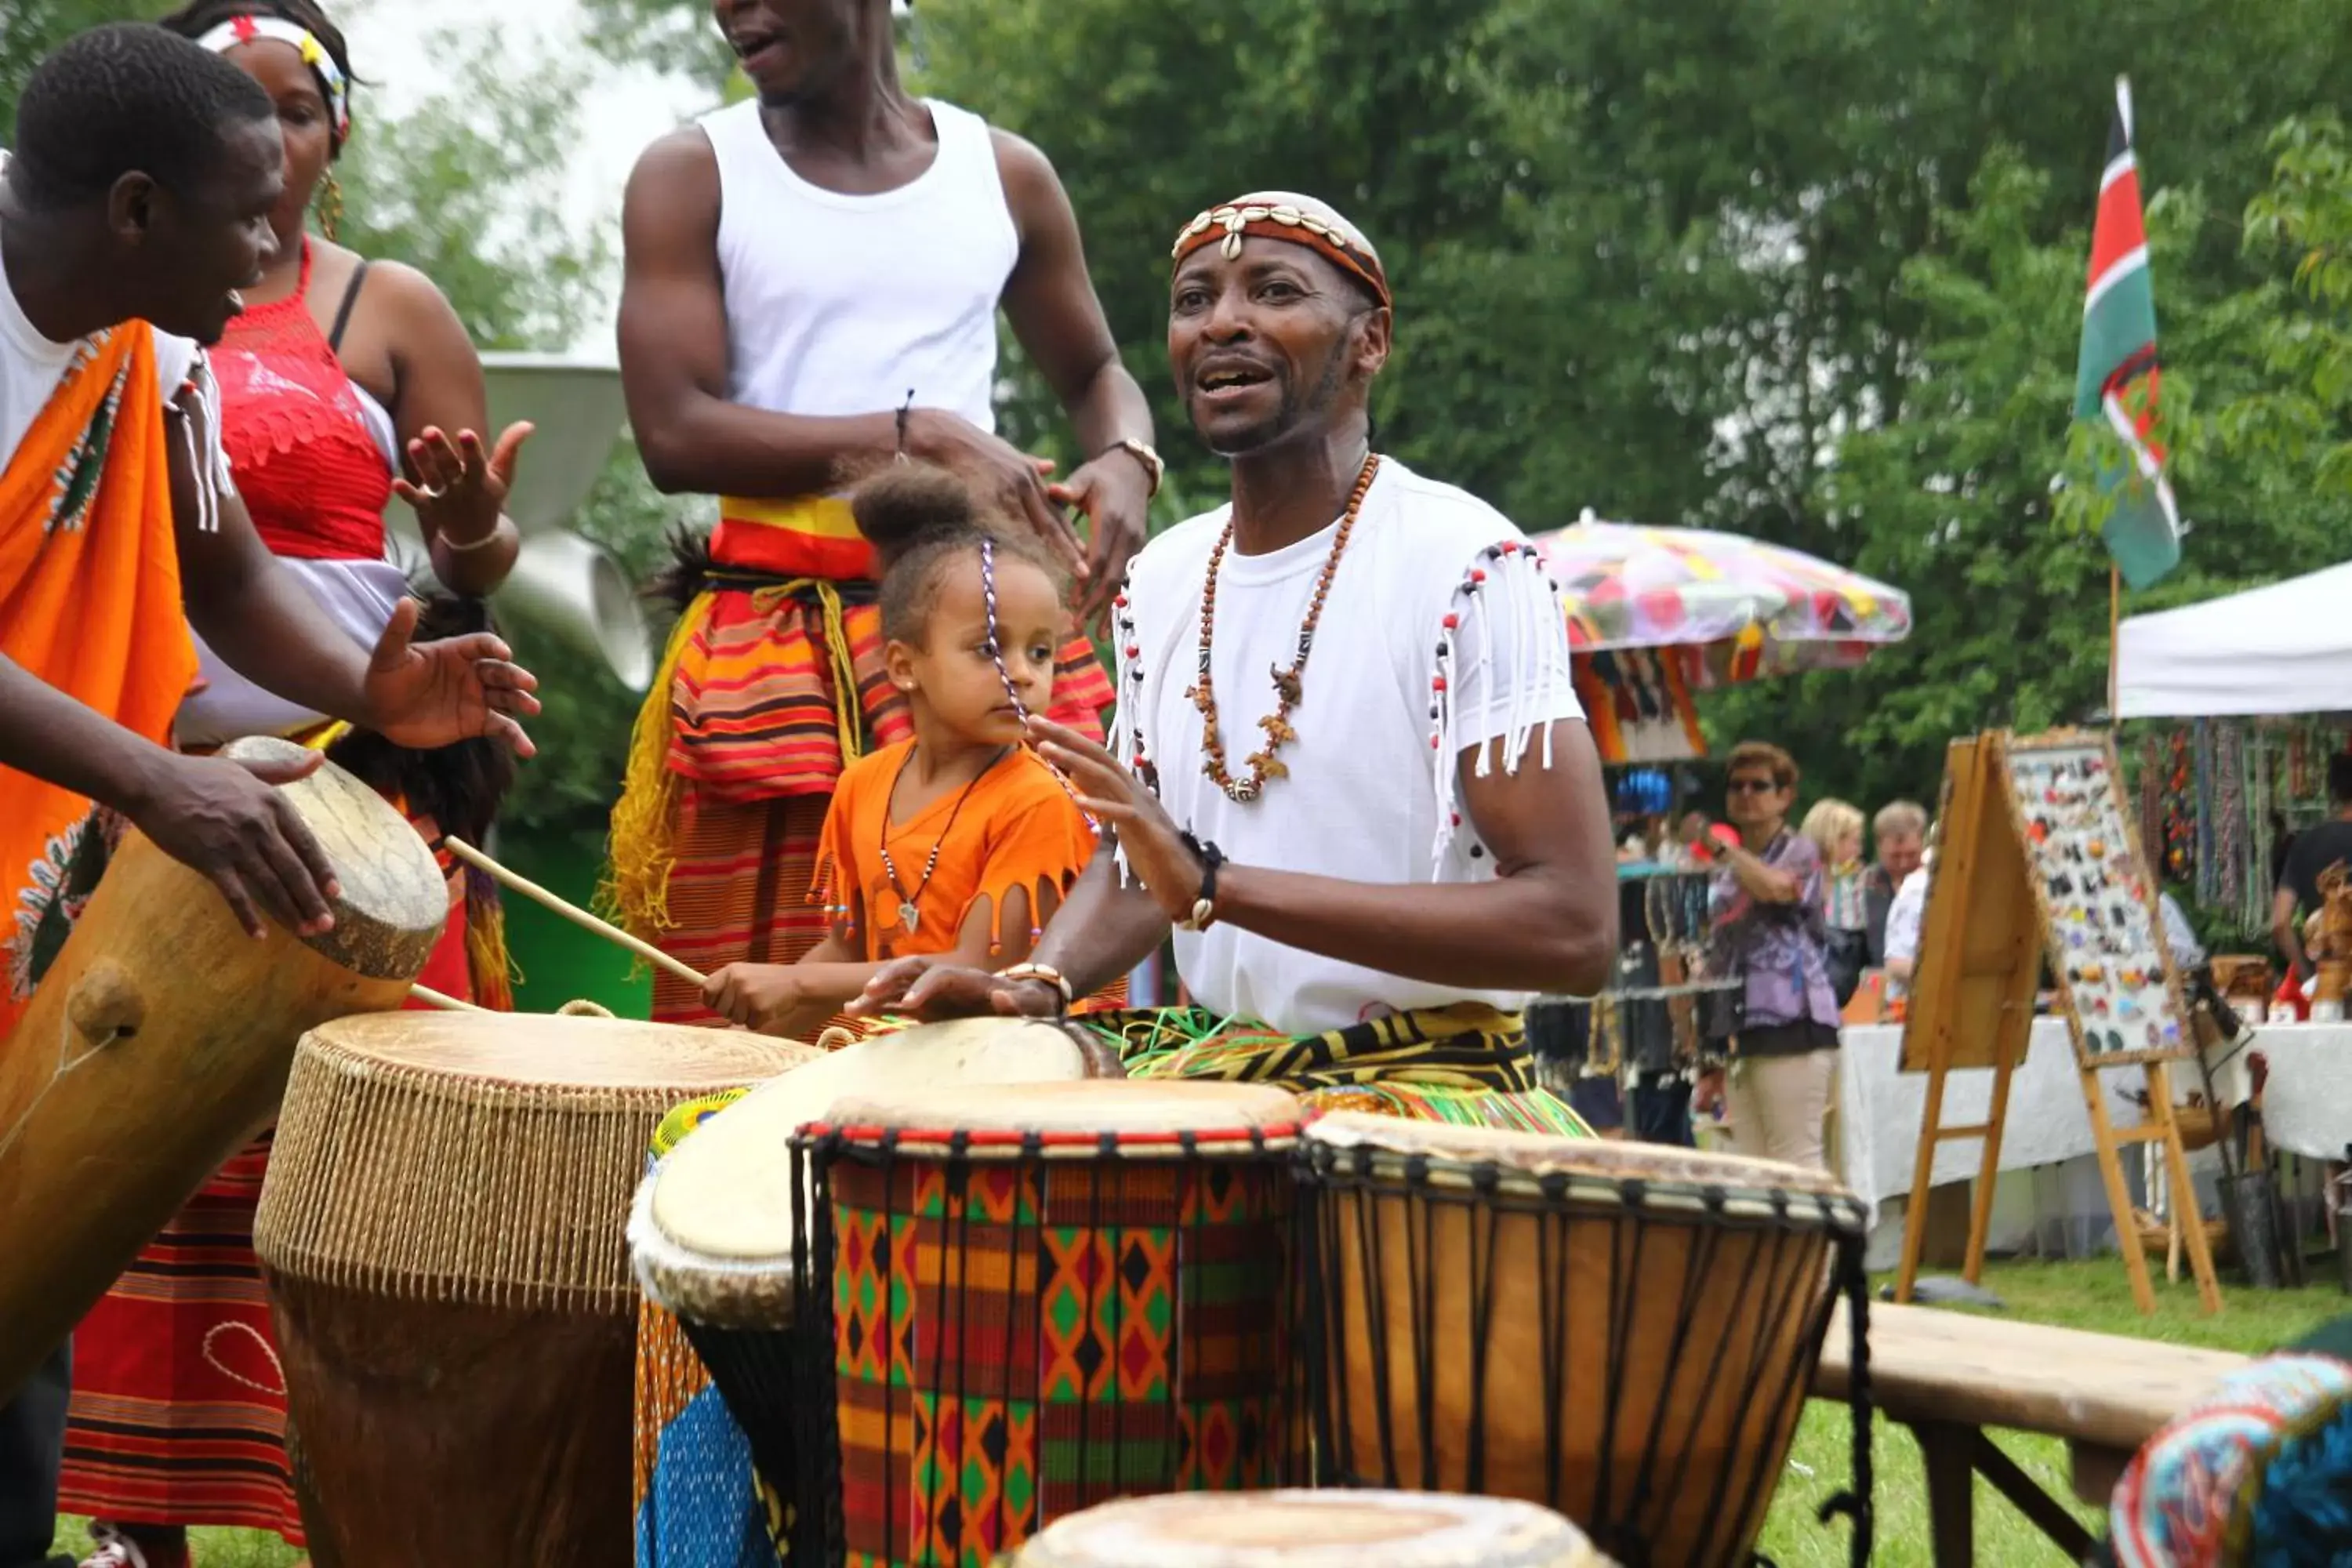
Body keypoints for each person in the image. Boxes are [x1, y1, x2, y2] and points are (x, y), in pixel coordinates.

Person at [0, 24, 536, 1568]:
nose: (272, 241)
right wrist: (159, 782)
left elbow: (227, 574)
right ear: (135, 210)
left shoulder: (154, 358)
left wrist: (375, 687)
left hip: (17, 892)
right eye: (245, 213)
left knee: (15, 1287)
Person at [854, 191, 1617, 1133]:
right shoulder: (1164, 580)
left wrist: (1215, 885)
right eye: (1194, 299)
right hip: (1224, 1077)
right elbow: (1142, 866)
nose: (1223, 322)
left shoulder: (1468, 566)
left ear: (1369, 341)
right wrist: (1036, 985)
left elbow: (1575, 927)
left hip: (1426, 1099)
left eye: (1274, 289)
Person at [606, 0, 1159, 1028]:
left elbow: (1096, 371)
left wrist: (1128, 457)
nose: (732, 8)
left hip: (988, 629)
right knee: (754, 1017)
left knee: (1026, 996)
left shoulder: (1005, 175)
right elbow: (674, 434)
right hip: (776, 656)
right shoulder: (693, 173)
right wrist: (915, 431)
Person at [699, 463, 1102, 1040]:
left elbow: (984, 970)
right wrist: (760, 1047)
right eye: (990, 649)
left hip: (1010, 1070)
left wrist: (796, 985)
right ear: (903, 666)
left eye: (1040, 653)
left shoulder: (1039, 801)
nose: (1022, 674)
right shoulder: (862, 785)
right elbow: (847, 947)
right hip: (899, 1061)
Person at [1709, 742, 1842, 1170]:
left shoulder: (1801, 851)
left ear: (1785, 797)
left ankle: (1824, 1240)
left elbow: (1777, 889)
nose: (1746, 794)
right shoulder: (1722, 867)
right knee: (1754, 1166)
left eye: (1759, 786)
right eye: (1736, 786)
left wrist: (1726, 851)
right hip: (1740, 1025)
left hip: (1794, 1021)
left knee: (1797, 1159)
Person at [2272, 753, 2352, 982]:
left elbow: (2279, 923)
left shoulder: (2306, 843)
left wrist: (2307, 977)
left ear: (2335, 793)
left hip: (2326, 984)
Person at [1803, 796, 1868, 1006]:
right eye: (1855, 841)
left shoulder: (1849, 883)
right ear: (1833, 840)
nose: (1859, 851)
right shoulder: (1801, 885)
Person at [1864, 798, 1927, 966]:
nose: (1904, 863)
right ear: (1878, 847)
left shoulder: (1936, 882)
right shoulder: (1865, 885)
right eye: (1895, 856)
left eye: (1912, 854)